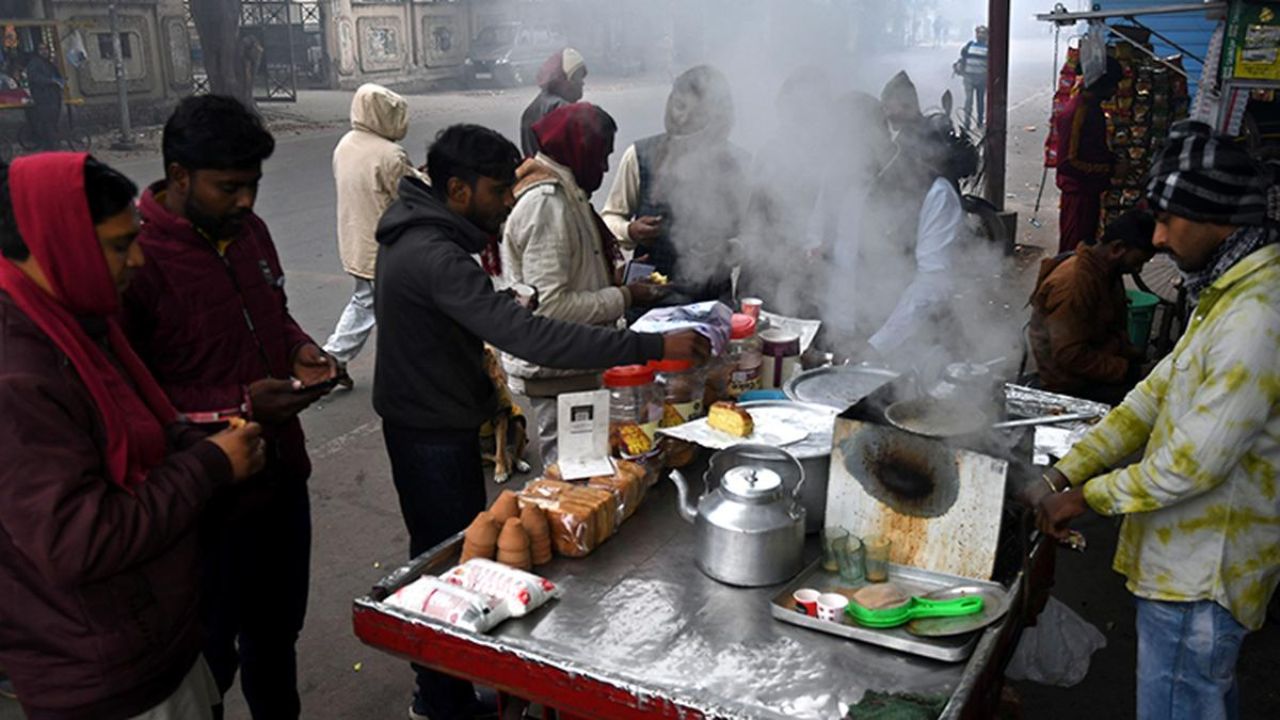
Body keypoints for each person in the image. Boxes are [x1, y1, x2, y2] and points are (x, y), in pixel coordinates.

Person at [373, 124, 708, 720]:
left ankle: (447, 687)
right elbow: (530, 336)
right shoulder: (434, 252)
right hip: (429, 430)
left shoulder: (433, 237)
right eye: (499, 191)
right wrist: (648, 348)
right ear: (457, 189)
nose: (509, 201)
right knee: (447, 561)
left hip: (434, 417)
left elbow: (488, 312)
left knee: (454, 556)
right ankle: (441, 700)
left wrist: (504, 302)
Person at [0, 153, 266, 720]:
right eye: (120, 245)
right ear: (58, 242)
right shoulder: (18, 372)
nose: (138, 259)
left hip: (151, 640)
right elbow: (80, 539)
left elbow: (134, 441)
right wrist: (211, 466)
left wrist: (201, 445)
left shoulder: (72, 322)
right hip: (100, 674)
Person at [1036, 121, 1279, 720]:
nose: (1161, 237)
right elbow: (1150, 398)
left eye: (1172, 220)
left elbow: (1191, 466)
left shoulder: (1257, 317)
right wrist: (1063, 474)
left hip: (1203, 575)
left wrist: (1084, 499)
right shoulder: (1224, 290)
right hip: (1182, 562)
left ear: (1219, 219)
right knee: (1200, 699)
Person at [122, 96, 334, 720]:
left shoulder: (249, 232)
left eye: (254, 186)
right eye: (229, 187)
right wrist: (240, 405)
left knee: (276, 641)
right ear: (179, 176)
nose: (246, 202)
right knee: (207, 659)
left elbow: (275, 311)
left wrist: (300, 350)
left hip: (280, 483)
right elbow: (132, 398)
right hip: (202, 507)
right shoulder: (136, 260)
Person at [502, 102, 666, 463]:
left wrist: (614, 276)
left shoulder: (567, 192)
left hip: (574, 364)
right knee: (570, 480)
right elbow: (550, 308)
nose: (605, 167)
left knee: (586, 473)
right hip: (556, 370)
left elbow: (571, 273)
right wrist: (624, 296)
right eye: (603, 155)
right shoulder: (547, 205)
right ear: (580, 148)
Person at [602, 65, 748, 313]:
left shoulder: (740, 165)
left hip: (713, 303)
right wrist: (630, 230)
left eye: (696, 115)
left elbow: (756, 235)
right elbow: (610, 217)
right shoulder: (639, 156)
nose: (682, 120)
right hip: (649, 303)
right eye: (678, 107)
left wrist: (729, 249)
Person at [322, 83, 420, 387]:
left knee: (364, 301)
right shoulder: (390, 154)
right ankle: (332, 360)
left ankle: (332, 359)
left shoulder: (346, 144)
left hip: (356, 239)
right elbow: (411, 194)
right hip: (384, 247)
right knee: (396, 307)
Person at [1029, 209, 1156, 404]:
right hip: (1069, 385)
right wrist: (1129, 371)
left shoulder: (1106, 271)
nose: (1138, 269)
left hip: (1093, 369)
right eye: (1139, 261)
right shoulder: (1074, 284)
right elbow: (1069, 356)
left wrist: (1132, 355)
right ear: (1117, 248)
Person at [1055, 56, 1123, 254]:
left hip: (1089, 192)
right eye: (1113, 85)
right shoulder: (1077, 112)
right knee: (1074, 253)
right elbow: (1068, 162)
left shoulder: (1092, 108)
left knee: (1085, 250)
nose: (1115, 90)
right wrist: (1110, 168)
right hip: (1078, 195)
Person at [519, 47, 586, 157]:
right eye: (577, 77)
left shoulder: (530, 110)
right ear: (564, 80)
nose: (582, 83)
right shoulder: (561, 109)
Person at [23, 43, 63, 151]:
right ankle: (50, 147)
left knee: (53, 122)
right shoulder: (34, 63)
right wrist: (51, 81)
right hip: (43, 99)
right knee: (47, 123)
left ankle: (52, 145)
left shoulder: (49, 63)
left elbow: (57, 76)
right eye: (41, 49)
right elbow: (35, 78)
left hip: (53, 98)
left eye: (45, 49)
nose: (44, 51)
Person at [955, 25, 988, 131]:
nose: (980, 35)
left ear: (987, 35)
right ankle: (966, 123)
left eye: (983, 33)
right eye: (979, 32)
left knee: (980, 101)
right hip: (968, 77)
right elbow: (963, 57)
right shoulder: (969, 45)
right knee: (968, 101)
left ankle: (979, 121)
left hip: (982, 78)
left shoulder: (989, 48)